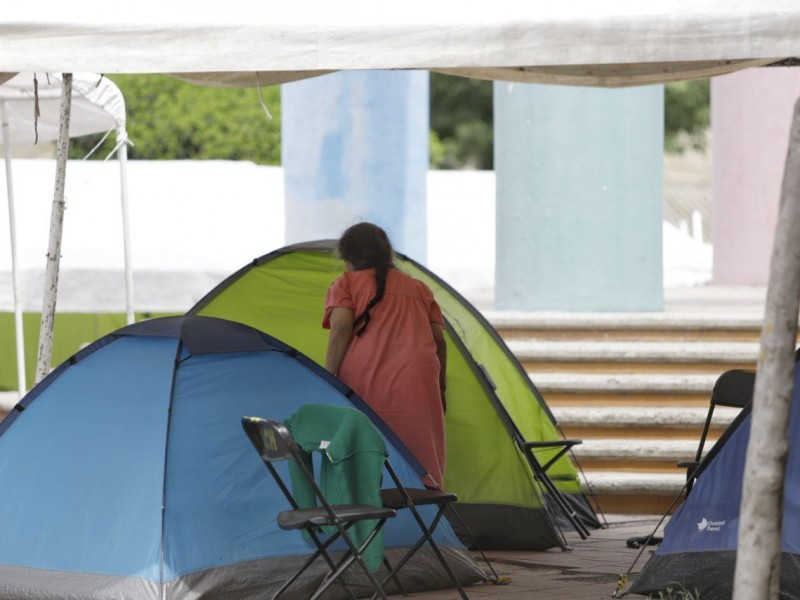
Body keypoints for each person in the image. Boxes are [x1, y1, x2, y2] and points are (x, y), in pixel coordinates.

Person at [323, 222, 447, 490]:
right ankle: (427, 511)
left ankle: (368, 513)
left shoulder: (345, 284)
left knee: (368, 449)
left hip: (365, 379)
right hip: (418, 379)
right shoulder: (419, 288)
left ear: (347, 258)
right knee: (418, 451)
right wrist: (442, 386)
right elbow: (439, 340)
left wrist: (327, 376)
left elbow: (341, 327)